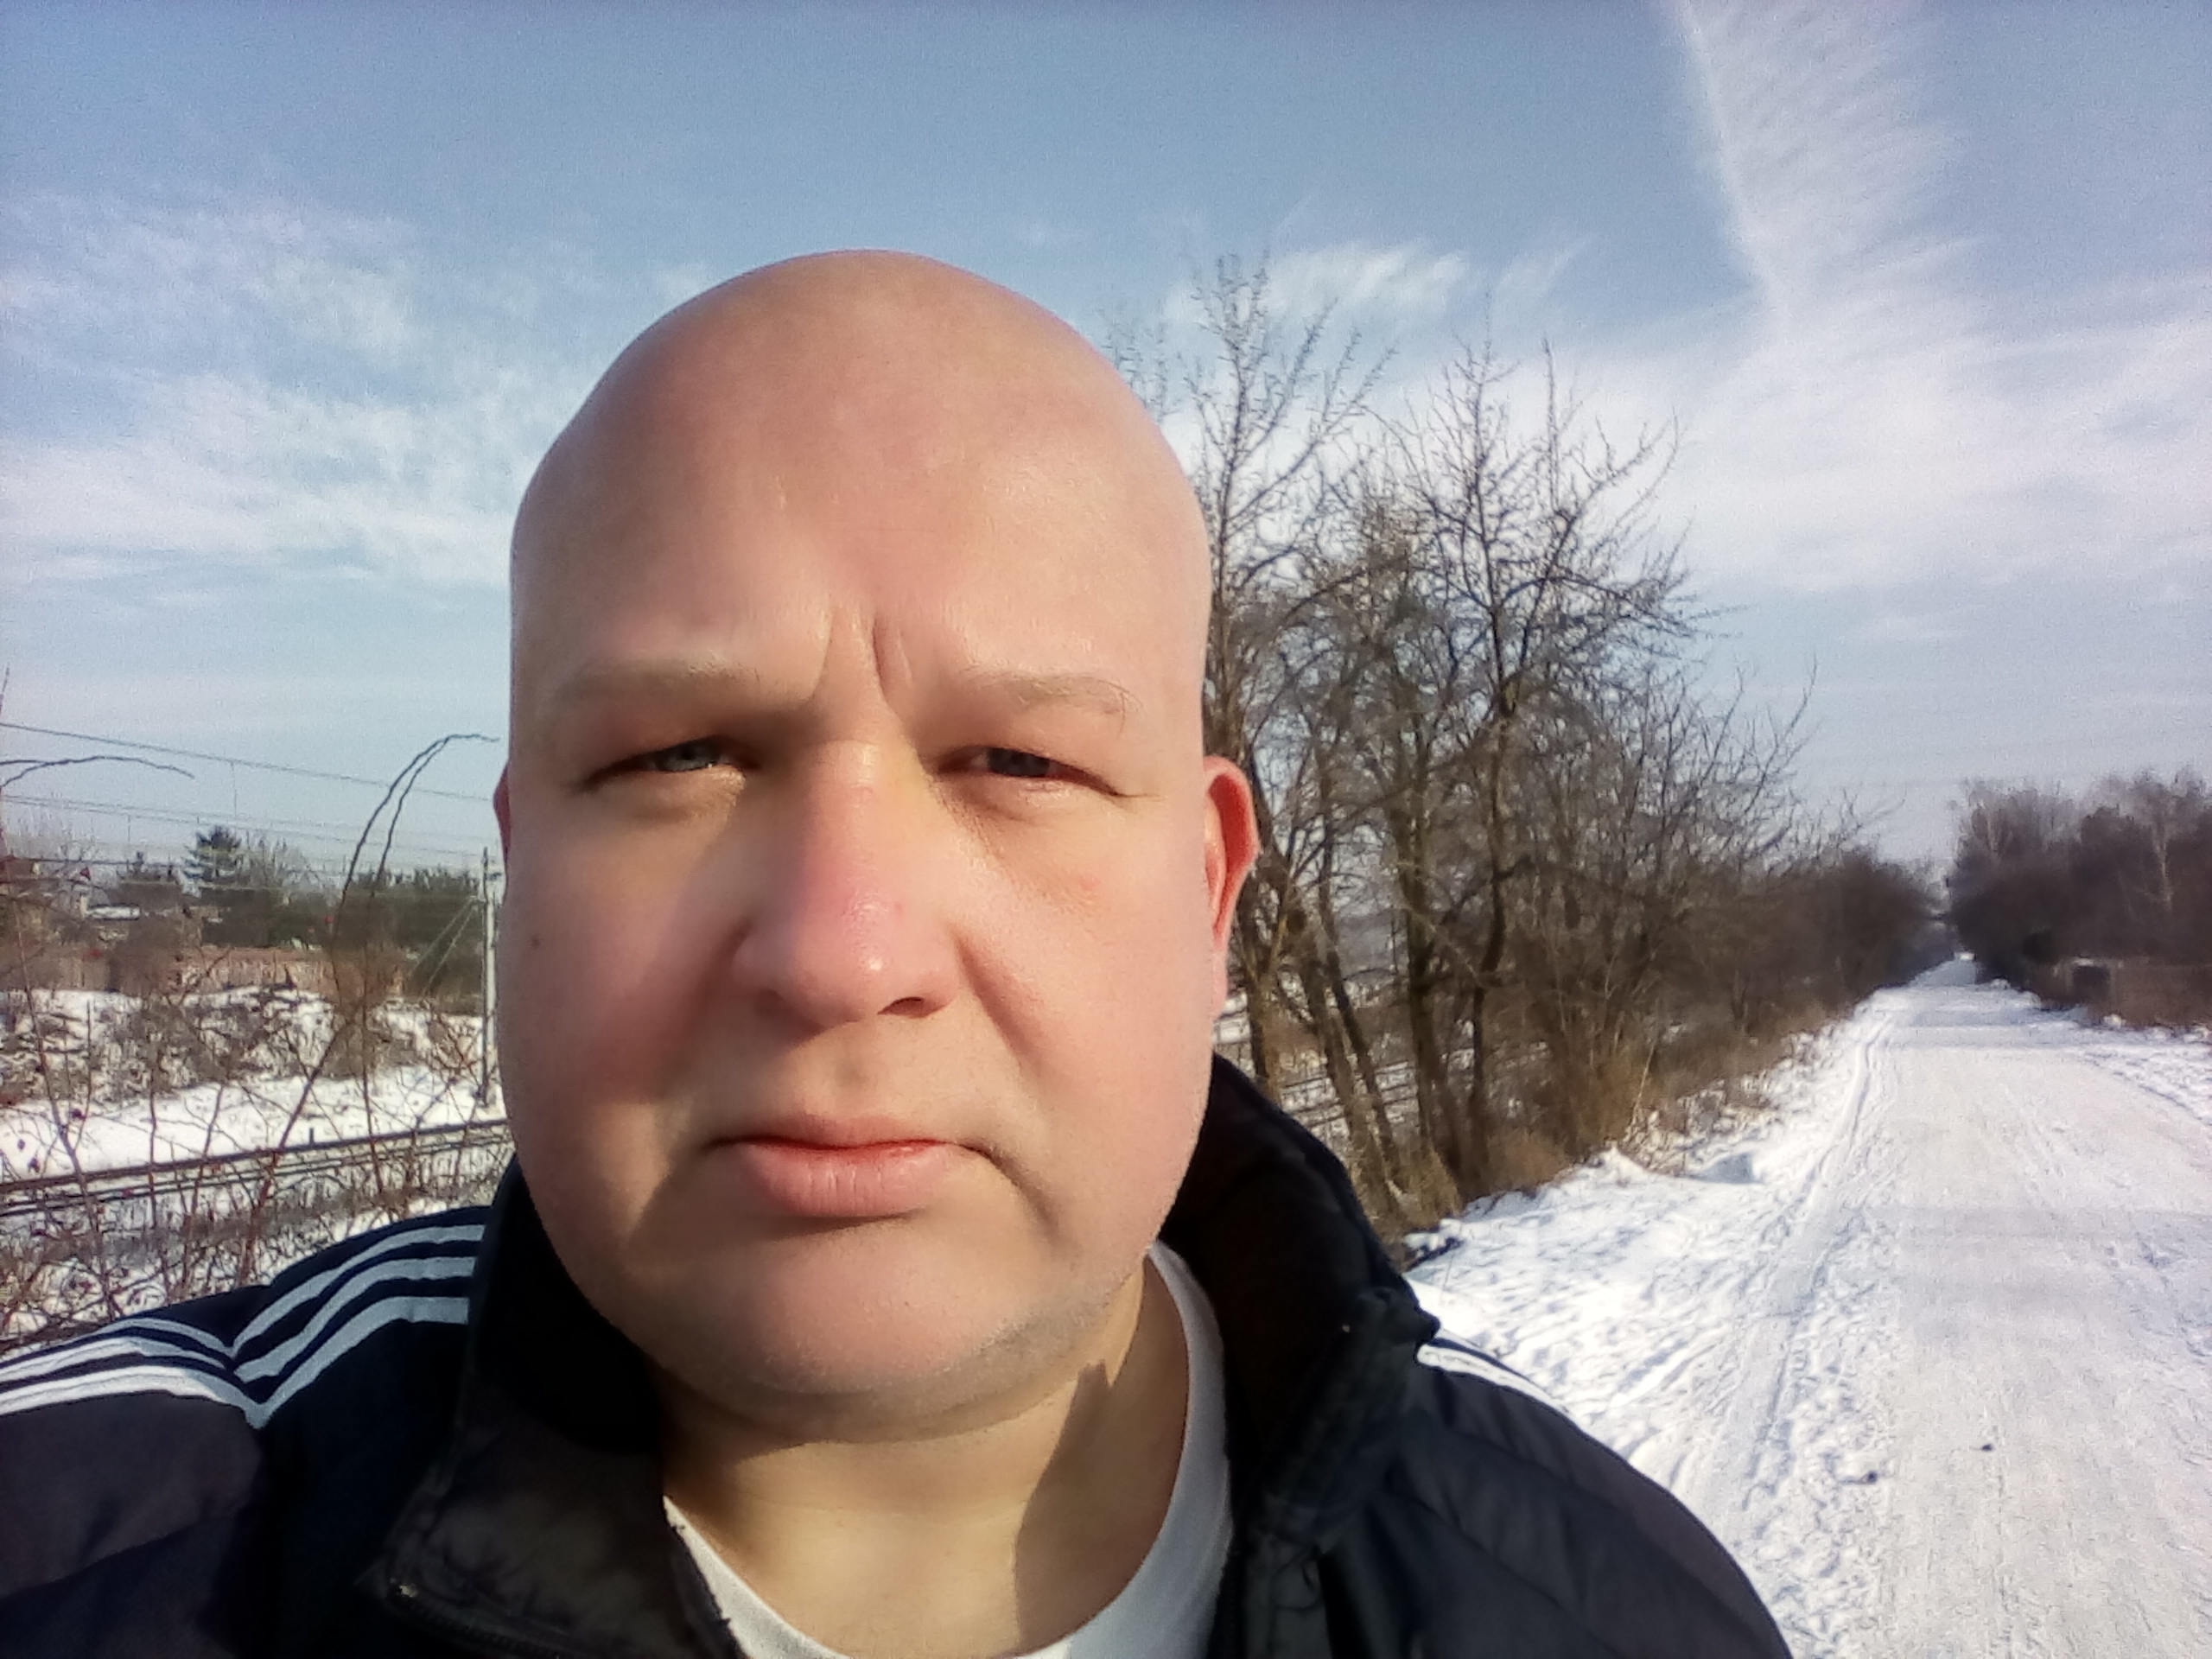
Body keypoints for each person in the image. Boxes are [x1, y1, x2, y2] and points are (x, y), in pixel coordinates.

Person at [0, 252, 1789, 1659]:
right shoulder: (74, 1558)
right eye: (678, 757)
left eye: (1018, 761)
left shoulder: (1615, 1615)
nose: (841, 956)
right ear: (523, 867)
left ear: (1209, 892)